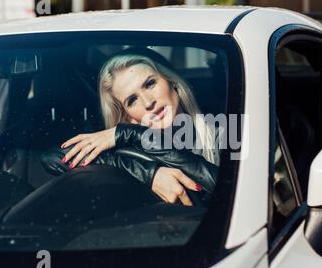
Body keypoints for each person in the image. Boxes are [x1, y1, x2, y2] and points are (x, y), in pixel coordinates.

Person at [41, 48, 220, 207]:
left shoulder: (222, 130)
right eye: (132, 100)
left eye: (150, 84)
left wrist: (130, 134)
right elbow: (53, 158)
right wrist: (150, 174)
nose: (148, 102)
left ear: (171, 81)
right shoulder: (131, 154)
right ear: (128, 116)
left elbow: (223, 189)